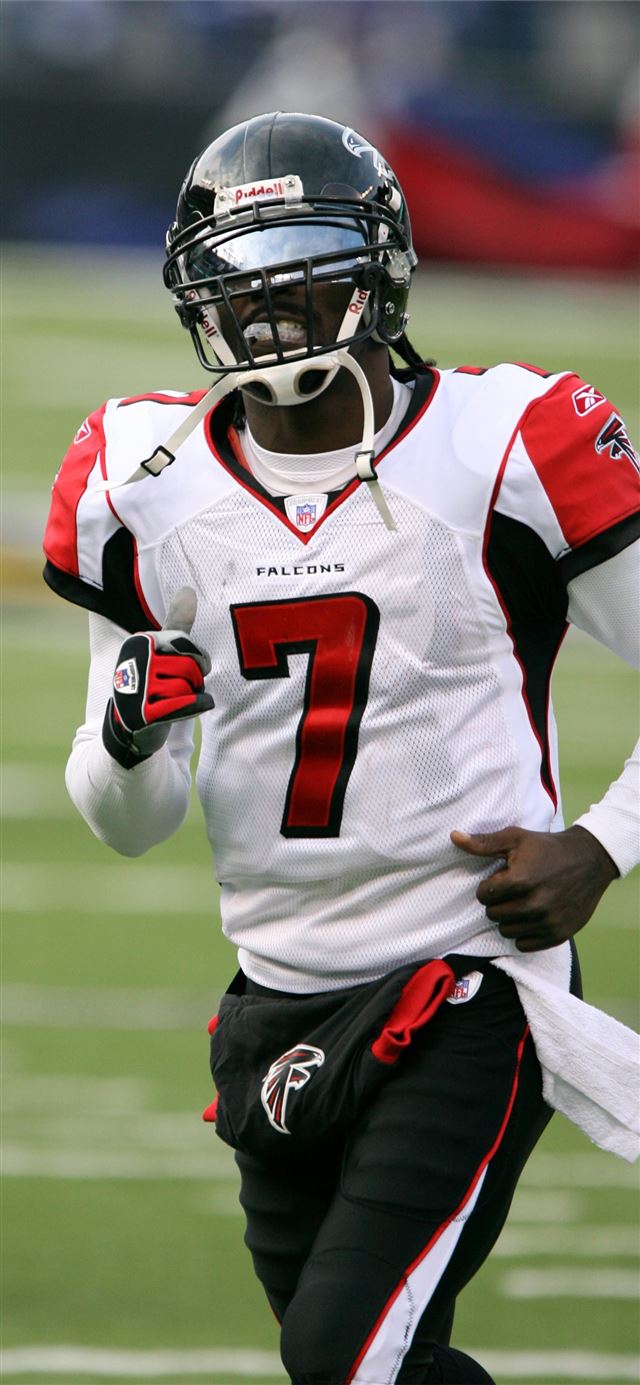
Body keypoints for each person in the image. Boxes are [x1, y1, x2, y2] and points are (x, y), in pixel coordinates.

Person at [43, 112, 639, 1384]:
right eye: (240, 274)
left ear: (381, 269)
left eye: (303, 262)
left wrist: (601, 844)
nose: (269, 303)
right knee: (373, 1366)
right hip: (274, 995)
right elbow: (127, 820)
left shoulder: (505, 442)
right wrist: (129, 735)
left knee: (342, 1357)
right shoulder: (137, 479)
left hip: (466, 975)